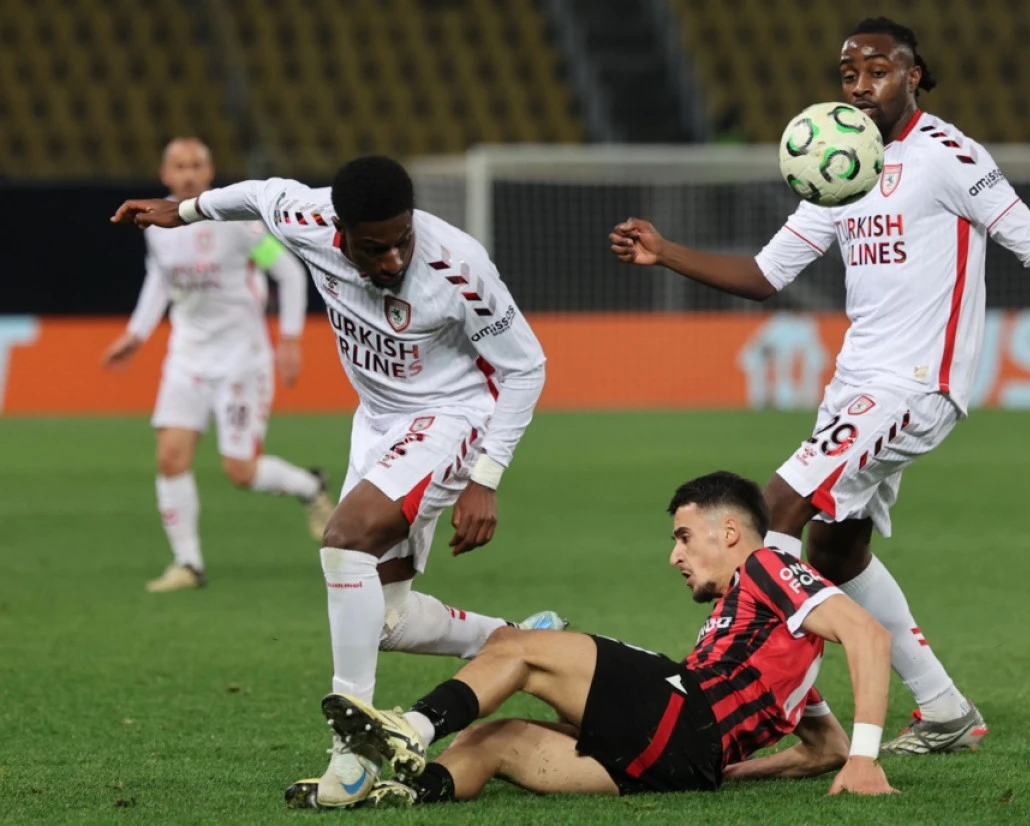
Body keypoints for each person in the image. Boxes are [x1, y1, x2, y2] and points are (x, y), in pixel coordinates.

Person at [609, 17, 1030, 755]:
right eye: (849, 73)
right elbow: (767, 276)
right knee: (836, 553)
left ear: (914, 74)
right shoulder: (839, 160)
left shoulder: (949, 156)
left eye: (879, 70)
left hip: (916, 385)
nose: (862, 86)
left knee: (772, 510)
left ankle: (722, 692)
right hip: (858, 384)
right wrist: (666, 251)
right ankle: (946, 711)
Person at [111, 155, 564, 807]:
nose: (391, 261)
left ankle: (351, 751)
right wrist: (183, 212)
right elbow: (261, 194)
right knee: (384, 618)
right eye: (373, 248)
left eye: (401, 241)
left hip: (452, 415)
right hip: (377, 422)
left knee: (345, 537)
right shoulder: (304, 217)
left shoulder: (458, 268)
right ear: (339, 231)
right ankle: (521, 641)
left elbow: (525, 369)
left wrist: (485, 476)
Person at [284, 471, 896, 809]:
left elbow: (866, 633)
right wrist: (730, 773)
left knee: (519, 644)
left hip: (685, 711)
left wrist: (868, 758)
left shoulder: (764, 567)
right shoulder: (774, 656)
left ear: (730, 531)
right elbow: (826, 748)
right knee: (491, 741)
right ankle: (405, 792)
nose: (675, 555)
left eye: (685, 537)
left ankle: (407, 729)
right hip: (683, 765)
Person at [102, 138, 332, 592]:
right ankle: (188, 563)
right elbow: (159, 282)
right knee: (170, 456)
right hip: (186, 358)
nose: (187, 174)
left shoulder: (235, 223)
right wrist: (136, 334)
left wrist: (289, 339)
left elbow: (286, 272)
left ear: (209, 174)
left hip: (241, 362)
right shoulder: (155, 223)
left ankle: (308, 485)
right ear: (165, 175)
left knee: (240, 472)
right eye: (179, 167)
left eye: (195, 166)